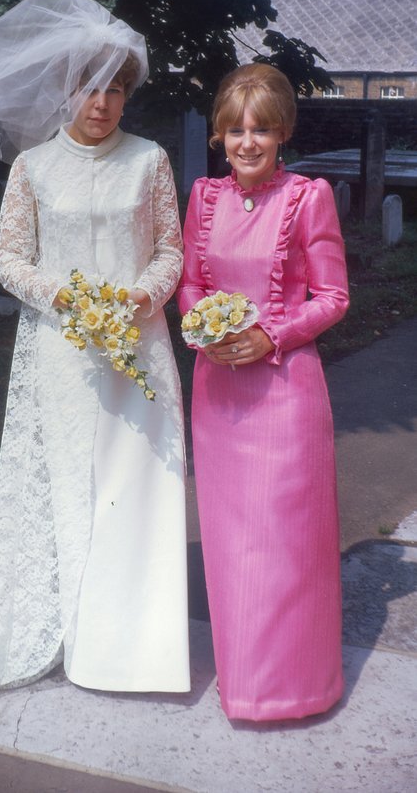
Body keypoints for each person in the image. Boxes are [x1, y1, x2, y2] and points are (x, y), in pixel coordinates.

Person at [0, 0, 190, 707]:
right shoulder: (32, 167)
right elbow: (9, 261)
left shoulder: (150, 160)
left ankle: (137, 650)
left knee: (136, 491)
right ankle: (70, 632)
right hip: (61, 354)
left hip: (138, 350)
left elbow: (169, 250)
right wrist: (66, 298)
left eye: (117, 90)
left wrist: (138, 297)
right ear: (65, 90)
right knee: (70, 487)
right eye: (91, 88)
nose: (103, 103)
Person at [176, 63, 349, 722]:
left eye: (261, 130)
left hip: (285, 392)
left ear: (282, 134)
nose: (247, 143)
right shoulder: (204, 197)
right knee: (232, 544)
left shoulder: (308, 197)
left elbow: (333, 297)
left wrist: (268, 335)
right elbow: (190, 282)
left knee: (286, 544)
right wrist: (204, 330)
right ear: (219, 135)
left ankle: (297, 689)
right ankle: (243, 685)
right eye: (235, 130)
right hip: (218, 390)